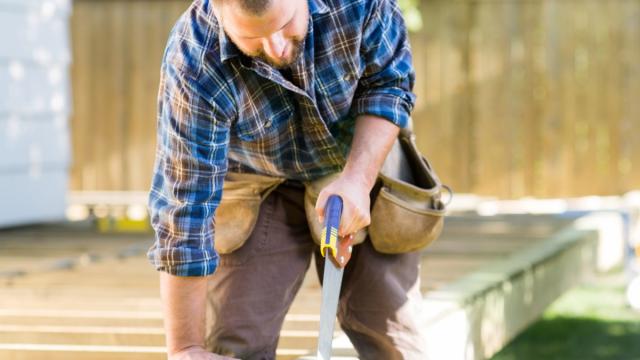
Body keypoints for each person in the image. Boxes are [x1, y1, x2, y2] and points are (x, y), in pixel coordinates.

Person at [147, 0, 426, 358]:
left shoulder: (361, 5)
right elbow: (186, 211)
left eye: (286, 24)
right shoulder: (194, 61)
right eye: (252, 37)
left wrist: (357, 180)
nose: (277, 48)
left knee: (393, 339)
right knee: (236, 343)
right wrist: (185, 347)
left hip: (360, 161)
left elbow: (390, 85)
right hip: (257, 180)